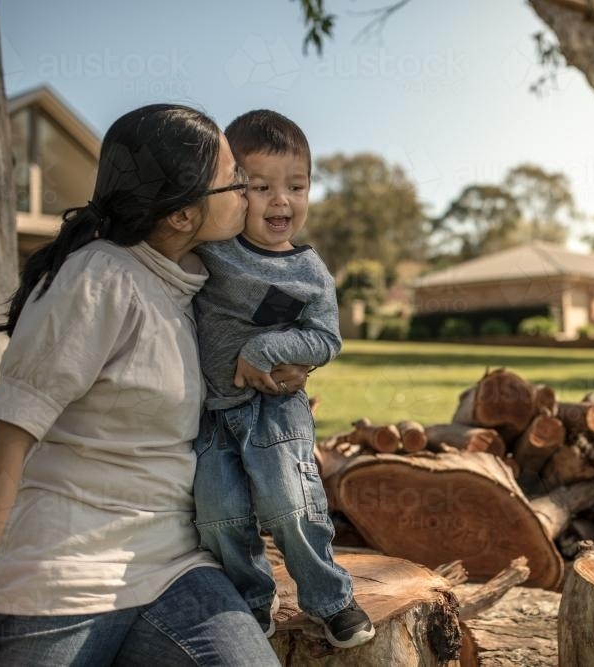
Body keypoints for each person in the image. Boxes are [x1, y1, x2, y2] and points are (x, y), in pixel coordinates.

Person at [0, 104, 309, 666]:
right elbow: (3, 441)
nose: (253, 195)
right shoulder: (98, 279)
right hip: (60, 575)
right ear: (180, 216)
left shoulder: (197, 281)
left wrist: (284, 364)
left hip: (172, 565)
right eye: (237, 183)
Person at [191, 110, 374, 649]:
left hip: (275, 407)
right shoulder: (212, 249)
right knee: (218, 513)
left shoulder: (309, 272)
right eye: (261, 186)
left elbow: (326, 339)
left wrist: (265, 348)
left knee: (291, 504)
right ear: (233, 190)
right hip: (213, 410)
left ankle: (330, 599)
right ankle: (249, 597)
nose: (281, 201)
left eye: (296, 186)